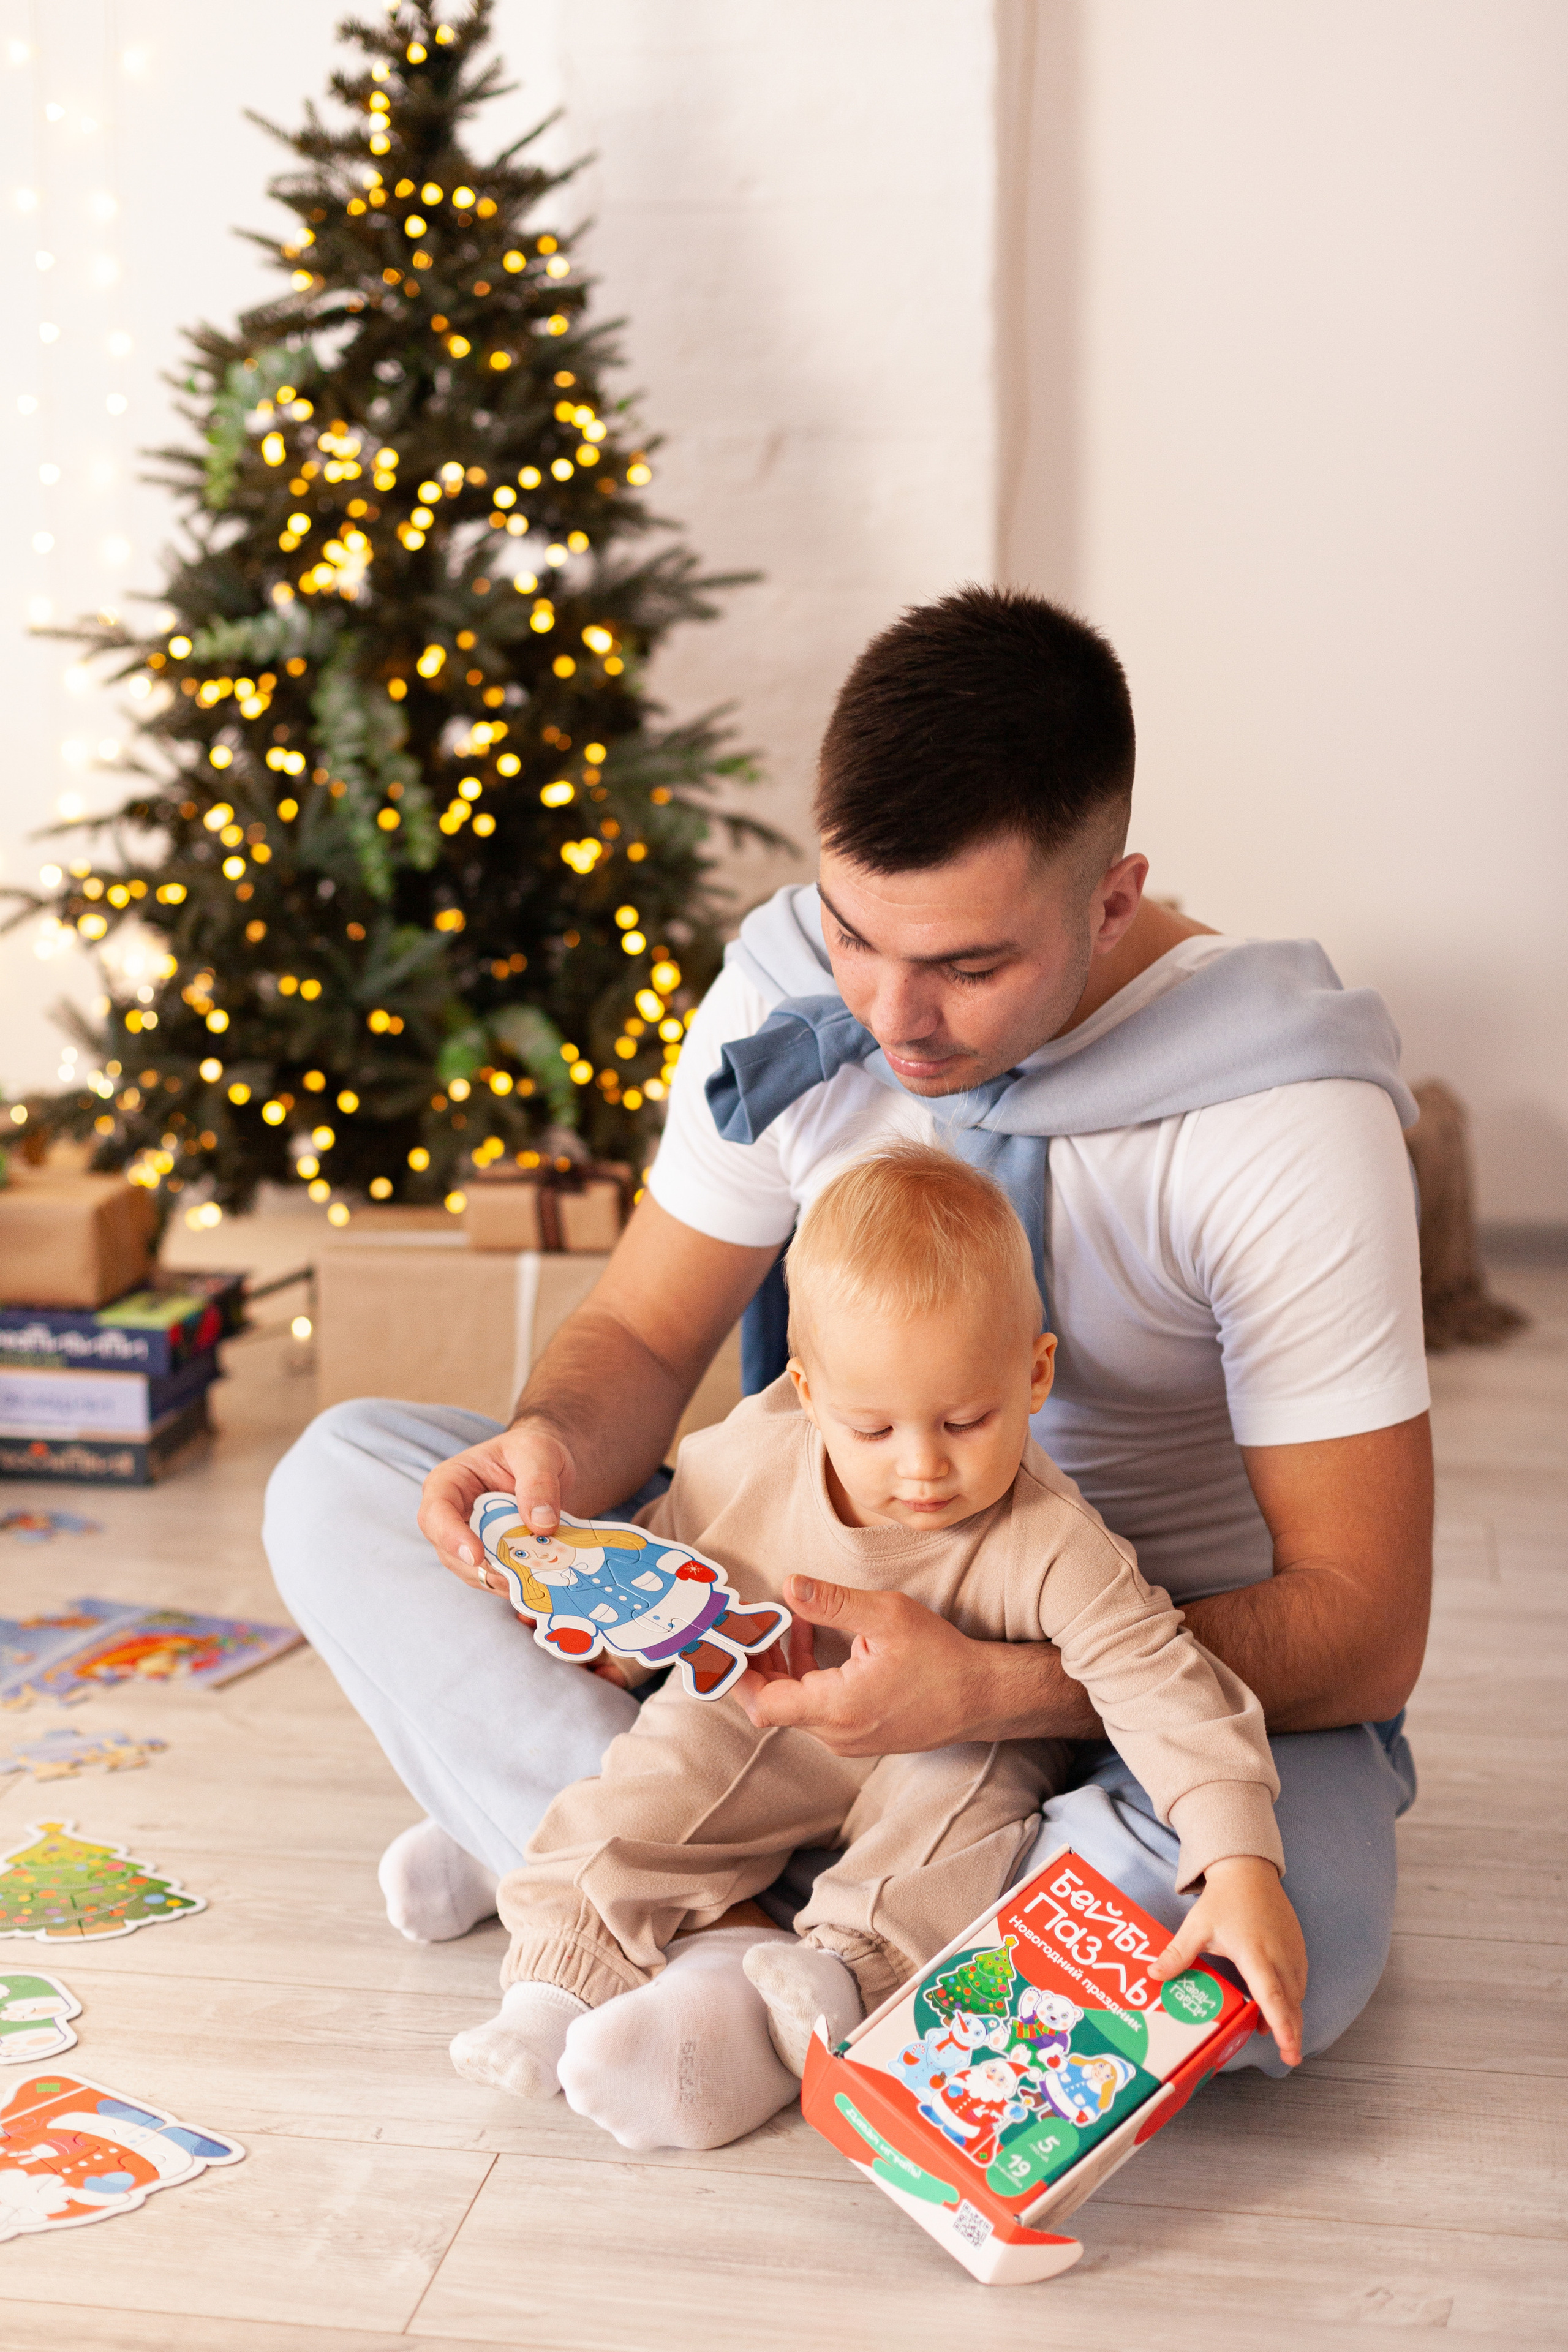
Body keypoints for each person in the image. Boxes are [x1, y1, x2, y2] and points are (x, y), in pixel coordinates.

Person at [263, 586, 1430, 2149]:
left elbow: (1362, 1630)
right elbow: (637, 1338)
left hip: (1137, 1669)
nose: (890, 1017)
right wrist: (547, 1460)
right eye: (854, 933)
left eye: (961, 964)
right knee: (340, 1484)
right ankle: (778, 1953)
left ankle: (651, 1898)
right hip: (782, 1636)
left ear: (1109, 901)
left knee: (1299, 1943)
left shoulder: (1279, 1120)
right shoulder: (797, 1000)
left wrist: (992, 1686)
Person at [446, 1147, 1306, 2153]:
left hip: (947, 1751)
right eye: (872, 1426)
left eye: (966, 1420)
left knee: (966, 1827)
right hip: (758, 1710)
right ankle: (550, 1992)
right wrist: (626, 1653)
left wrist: (1238, 1860)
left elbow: (1163, 1684)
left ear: (1034, 1374)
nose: (924, 1465)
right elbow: (671, 1555)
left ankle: (841, 1976)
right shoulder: (748, 1456)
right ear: (807, 1394)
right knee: (644, 1786)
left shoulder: (1056, 1541)